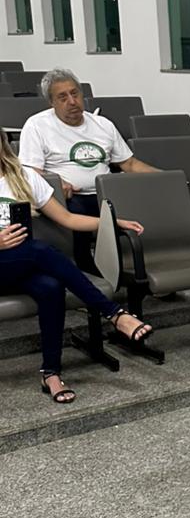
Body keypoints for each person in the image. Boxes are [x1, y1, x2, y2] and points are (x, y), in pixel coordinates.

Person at [0, 128, 153, 405]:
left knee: (51, 286)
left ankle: (51, 373)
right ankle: (114, 313)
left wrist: (113, 222)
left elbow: (67, 218)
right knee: (39, 250)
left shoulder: (23, 176)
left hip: (17, 265)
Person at [17, 69, 157, 272]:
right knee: (76, 209)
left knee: (138, 202)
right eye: (62, 97)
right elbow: (29, 172)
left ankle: (139, 263)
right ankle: (86, 266)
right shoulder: (37, 126)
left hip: (107, 193)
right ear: (51, 102)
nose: (72, 101)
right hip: (69, 197)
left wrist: (166, 178)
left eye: (75, 93)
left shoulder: (103, 124)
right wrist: (55, 181)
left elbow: (130, 164)